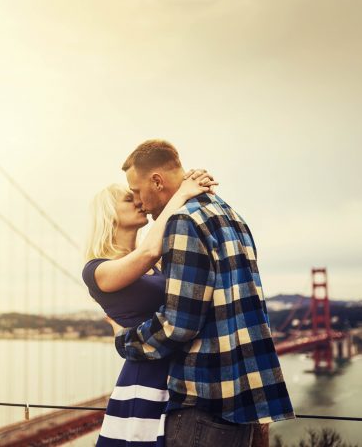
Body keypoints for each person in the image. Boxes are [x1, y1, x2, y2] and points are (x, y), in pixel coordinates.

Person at [106, 140, 295, 447]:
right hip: (243, 403)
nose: (139, 201)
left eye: (137, 190)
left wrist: (125, 340)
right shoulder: (231, 215)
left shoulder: (182, 222)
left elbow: (178, 325)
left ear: (157, 181)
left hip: (204, 402)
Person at [82, 169, 218, 446]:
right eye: (127, 198)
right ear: (109, 214)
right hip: (146, 375)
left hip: (180, 371)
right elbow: (148, 250)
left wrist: (182, 183)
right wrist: (181, 192)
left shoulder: (156, 264)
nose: (137, 199)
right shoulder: (97, 270)